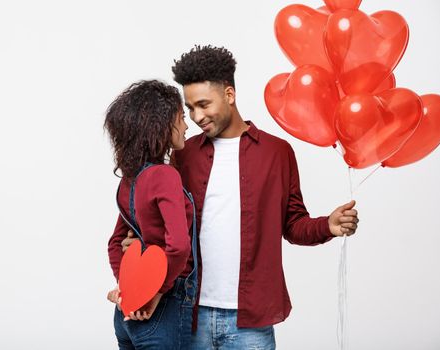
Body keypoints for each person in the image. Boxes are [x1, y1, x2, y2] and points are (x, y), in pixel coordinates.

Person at [121, 46, 359, 349]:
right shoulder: (184, 155)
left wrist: (328, 225)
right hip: (188, 313)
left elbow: (293, 224)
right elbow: (166, 224)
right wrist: (139, 246)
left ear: (229, 95)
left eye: (204, 104)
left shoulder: (277, 153)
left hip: (251, 322)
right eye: (190, 108)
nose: (197, 116)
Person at [104, 80, 198, 349]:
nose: (186, 125)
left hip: (126, 315)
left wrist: (127, 289)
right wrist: (156, 291)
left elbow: (115, 243)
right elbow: (178, 246)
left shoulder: (129, 180)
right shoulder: (165, 175)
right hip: (161, 310)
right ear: (162, 125)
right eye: (181, 117)